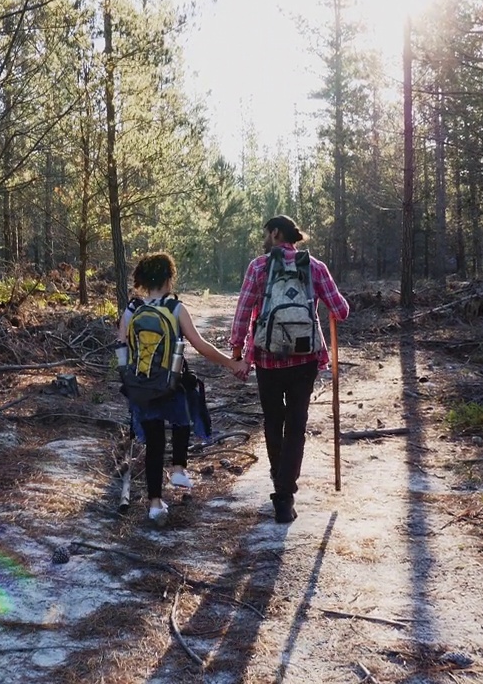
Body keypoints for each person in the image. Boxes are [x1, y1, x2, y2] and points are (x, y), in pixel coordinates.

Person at [229, 215, 350, 523]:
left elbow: (243, 311)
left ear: (275, 232)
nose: (265, 238)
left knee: (273, 420)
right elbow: (341, 311)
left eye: (266, 233)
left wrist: (238, 352)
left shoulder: (259, 267)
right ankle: (285, 494)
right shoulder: (315, 267)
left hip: (267, 358)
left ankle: (279, 483)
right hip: (304, 359)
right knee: (297, 423)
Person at [118, 252, 241, 527]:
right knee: (185, 411)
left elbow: (121, 345)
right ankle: (178, 468)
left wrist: (129, 382)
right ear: (168, 278)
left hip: (141, 385)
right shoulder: (175, 308)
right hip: (170, 383)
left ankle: (153, 505)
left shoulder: (132, 309)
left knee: (153, 441)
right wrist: (231, 363)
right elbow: (200, 346)